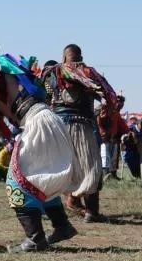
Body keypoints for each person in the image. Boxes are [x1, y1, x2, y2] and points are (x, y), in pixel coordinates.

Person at [0, 43, 79, 252]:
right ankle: (62, 226)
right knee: (37, 178)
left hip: (38, 122)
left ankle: (35, 239)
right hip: (43, 121)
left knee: (16, 182)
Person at [42, 44, 118, 223]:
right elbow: (107, 94)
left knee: (66, 167)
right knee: (90, 167)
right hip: (80, 125)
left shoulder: (50, 74)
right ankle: (92, 212)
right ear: (80, 57)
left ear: (63, 57)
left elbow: (43, 98)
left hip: (58, 127)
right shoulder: (87, 73)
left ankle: (70, 203)